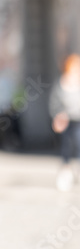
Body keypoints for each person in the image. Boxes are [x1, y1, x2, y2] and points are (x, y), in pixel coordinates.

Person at [50, 53, 80, 191]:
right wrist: (57, 115)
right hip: (66, 120)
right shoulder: (62, 82)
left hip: (78, 119)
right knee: (66, 146)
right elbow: (54, 102)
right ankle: (66, 171)